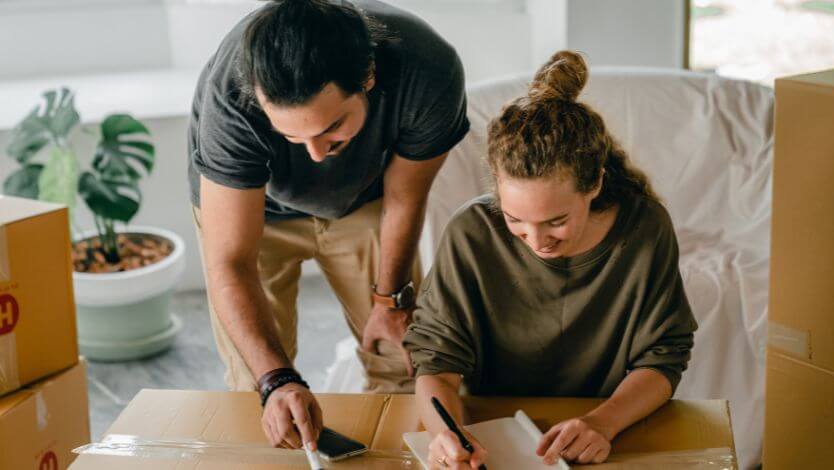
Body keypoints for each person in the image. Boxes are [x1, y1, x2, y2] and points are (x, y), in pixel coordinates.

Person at [188, 0, 469, 452]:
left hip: (366, 200)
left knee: (401, 358)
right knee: (257, 386)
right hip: (252, 210)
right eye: (292, 137)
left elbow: (406, 195)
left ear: (368, 78)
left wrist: (389, 298)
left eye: (332, 128)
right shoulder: (231, 98)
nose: (315, 154)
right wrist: (277, 380)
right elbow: (231, 261)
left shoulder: (427, 67)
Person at [404, 50, 697, 469]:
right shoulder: (471, 232)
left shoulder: (644, 228)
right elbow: (436, 361)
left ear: (594, 182)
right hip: (489, 432)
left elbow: (664, 356)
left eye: (556, 221)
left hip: (604, 430)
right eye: (515, 220)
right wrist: (445, 433)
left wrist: (603, 423)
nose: (537, 241)